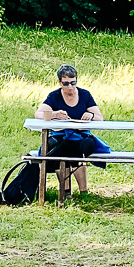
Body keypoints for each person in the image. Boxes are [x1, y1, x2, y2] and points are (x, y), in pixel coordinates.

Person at [33, 65, 111, 194]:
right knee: (60, 149)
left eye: (73, 83)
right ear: (59, 82)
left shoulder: (85, 95)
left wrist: (91, 115)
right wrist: (55, 114)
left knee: (79, 149)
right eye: (66, 83)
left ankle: (83, 191)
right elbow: (38, 114)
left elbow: (99, 117)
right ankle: (66, 190)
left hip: (81, 136)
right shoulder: (54, 96)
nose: (70, 87)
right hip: (61, 136)